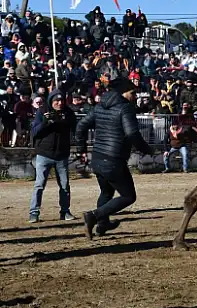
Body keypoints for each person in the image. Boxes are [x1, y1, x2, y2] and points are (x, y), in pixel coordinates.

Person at [75, 77, 154, 240]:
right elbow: (132, 133)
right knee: (128, 196)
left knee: (106, 192)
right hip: (114, 160)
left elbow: (81, 125)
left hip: (97, 158)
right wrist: (147, 149)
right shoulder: (125, 108)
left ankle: (103, 224)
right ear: (123, 93)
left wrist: (81, 150)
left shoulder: (100, 107)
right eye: (133, 93)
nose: (135, 96)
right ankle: (94, 216)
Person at [28, 91, 77, 223]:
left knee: (64, 185)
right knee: (39, 185)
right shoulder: (42, 111)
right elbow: (34, 132)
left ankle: (65, 211)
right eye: (57, 101)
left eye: (62, 101)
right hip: (44, 154)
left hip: (62, 155)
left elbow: (76, 128)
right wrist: (45, 122)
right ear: (51, 100)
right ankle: (34, 212)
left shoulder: (68, 113)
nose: (60, 103)